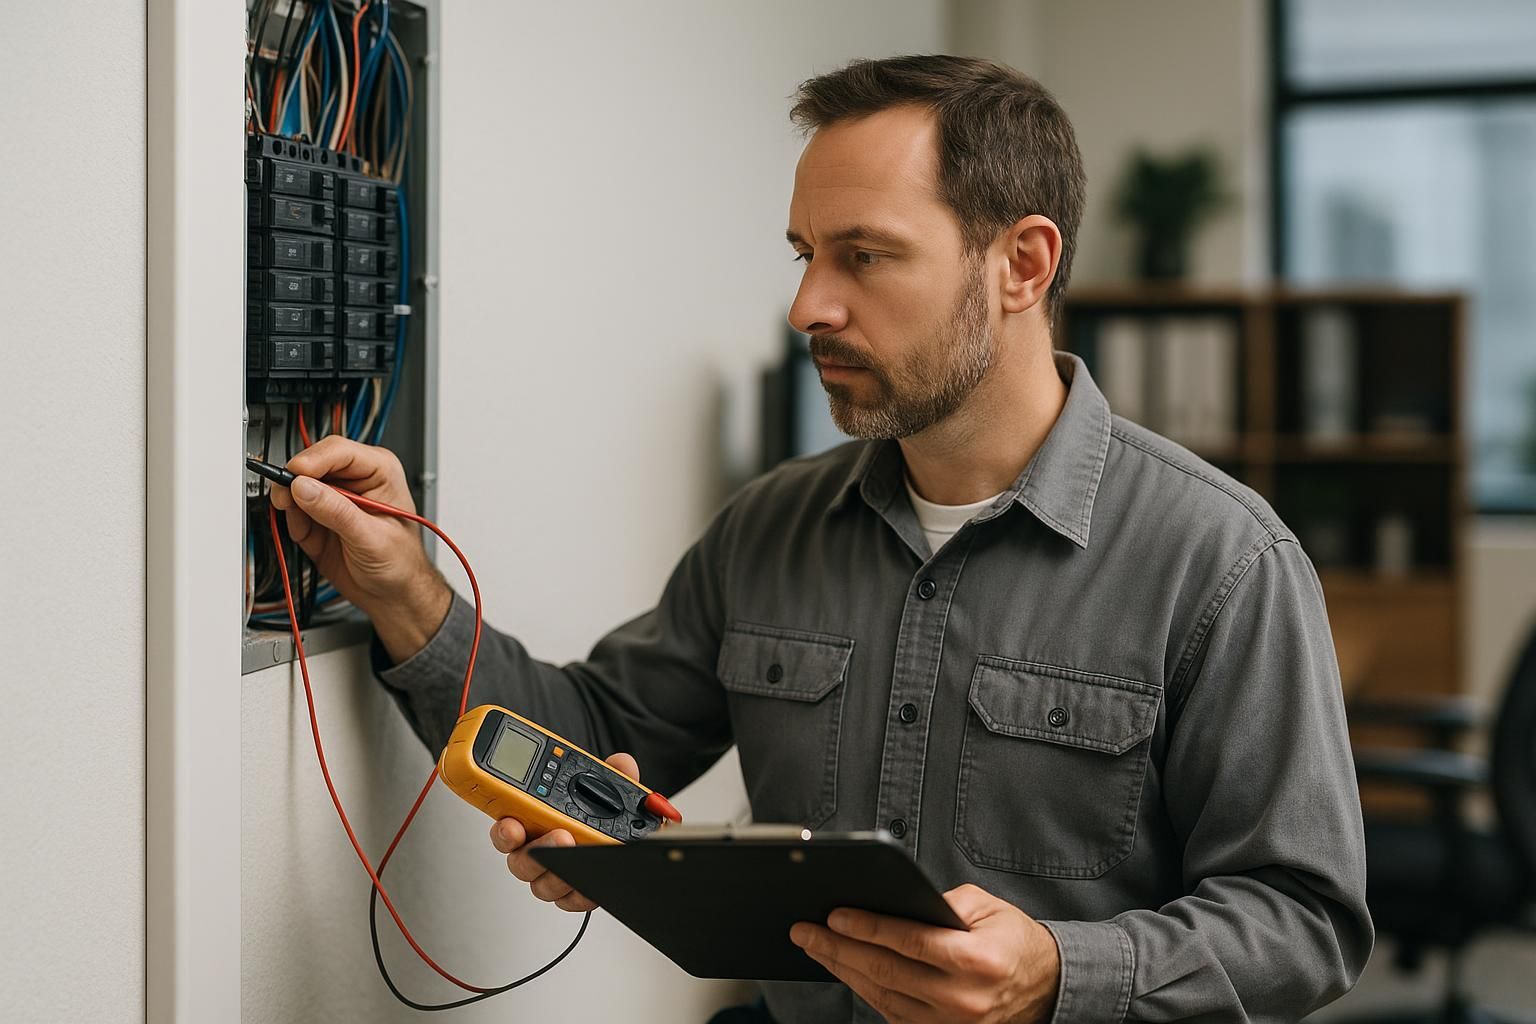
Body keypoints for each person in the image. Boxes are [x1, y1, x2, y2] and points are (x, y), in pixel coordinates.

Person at [271, 54, 1371, 1024]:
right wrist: (404, 587)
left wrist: (1057, 971)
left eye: (864, 255)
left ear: (1023, 265)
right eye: (804, 253)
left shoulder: (1223, 563)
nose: (807, 305)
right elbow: (588, 735)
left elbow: (1304, 921)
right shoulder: (771, 526)